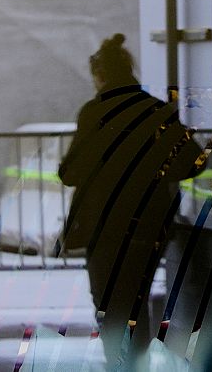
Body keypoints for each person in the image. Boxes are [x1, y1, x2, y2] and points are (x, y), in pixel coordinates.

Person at [59, 34, 204, 370]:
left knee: (108, 300)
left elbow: (71, 172)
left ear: (100, 76)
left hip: (103, 221)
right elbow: (193, 163)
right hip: (150, 219)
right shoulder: (156, 111)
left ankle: (119, 364)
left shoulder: (95, 112)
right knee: (135, 297)